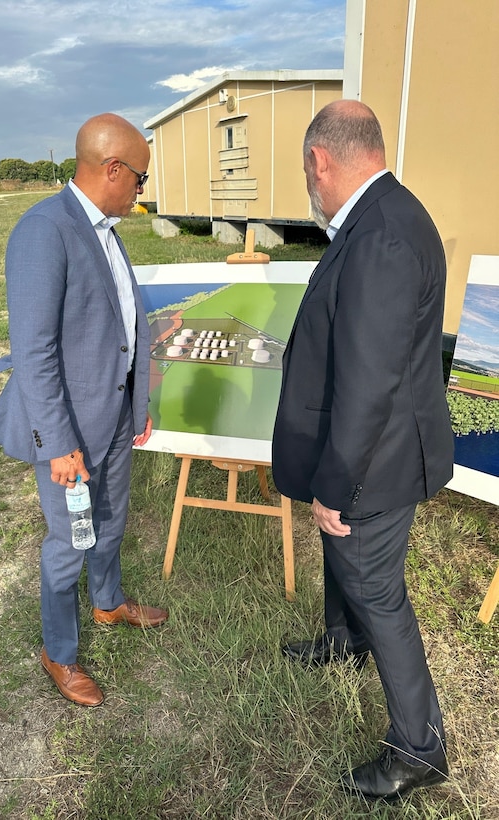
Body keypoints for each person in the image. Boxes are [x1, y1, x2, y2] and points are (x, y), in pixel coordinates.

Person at [272, 100, 453, 802]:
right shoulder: (388, 216)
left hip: (369, 463)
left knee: (379, 593)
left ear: (320, 160)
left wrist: (335, 485)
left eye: (305, 171)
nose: (308, 185)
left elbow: (369, 382)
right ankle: (340, 642)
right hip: (369, 453)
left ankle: (419, 748)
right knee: (346, 568)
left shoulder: (378, 235)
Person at [0, 113, 168, 708]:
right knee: (68, 543)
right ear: (112, 169)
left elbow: (116, 329)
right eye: (139, 176)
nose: (143, 188)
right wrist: (58, 443)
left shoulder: (105, 229)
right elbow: (33, 352)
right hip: (70, 433)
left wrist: (137, 404)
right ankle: (58, 652)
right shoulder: (44, 231)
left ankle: (108, 603)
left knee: (111, 523)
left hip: (111, 418)